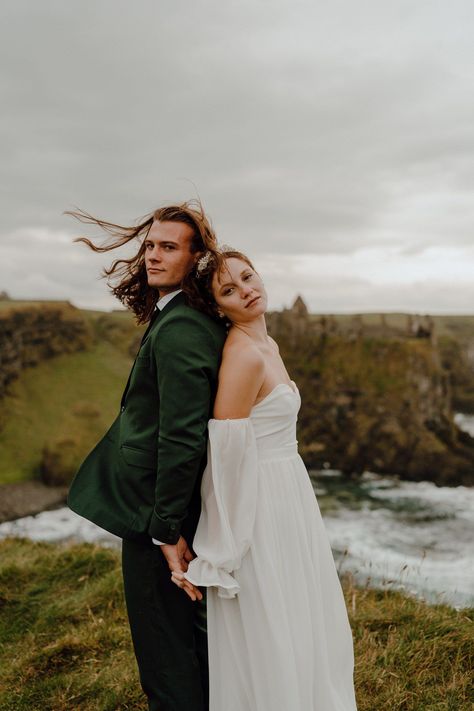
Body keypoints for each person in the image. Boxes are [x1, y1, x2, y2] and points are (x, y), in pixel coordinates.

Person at [172, 248, 359, 711]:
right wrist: (222, 550)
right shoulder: (242, 357)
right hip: (261, 507)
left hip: (288, 494)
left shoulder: (267, 345)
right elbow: (227, 457)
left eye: (248, 277)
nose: (247, 291)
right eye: (229, 290)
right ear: (218, 307)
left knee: (300, 615)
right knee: (271, 624)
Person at [67, 201, 227, 711]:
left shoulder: (181, 330)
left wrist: (164, 529)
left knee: (166, 659)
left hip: (159, 516)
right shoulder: (181, 316)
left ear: (196, 257)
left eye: (168, 247)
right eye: (150, 245)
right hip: (167, 511)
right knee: (185, 648)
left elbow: (182, 439)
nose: (153, 256)